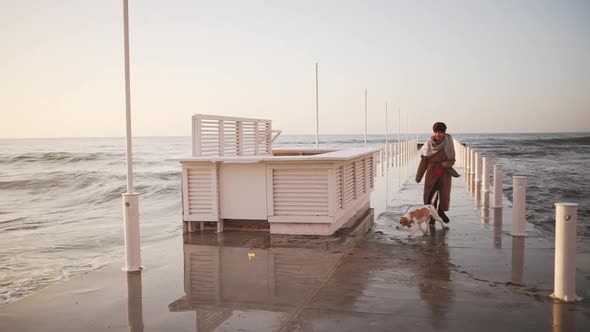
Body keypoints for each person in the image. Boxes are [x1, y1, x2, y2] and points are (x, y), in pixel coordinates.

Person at [416, 122, 455, 224]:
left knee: (443, 194)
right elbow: (424, 160)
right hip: (431, 172)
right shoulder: (428, 143)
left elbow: (452, 160)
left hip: (443, 173)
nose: (438, 134)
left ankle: (441, 212)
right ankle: (431, 215)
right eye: (436, 132)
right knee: (430, 195)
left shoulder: (448, 143)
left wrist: (447, 164)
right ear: (433, 132)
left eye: (440, 132)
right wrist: (419, 176)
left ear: (444, 132)